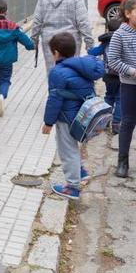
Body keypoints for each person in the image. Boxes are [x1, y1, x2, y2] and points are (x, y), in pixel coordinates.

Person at [42, 32, 104, 200]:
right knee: (72, 147)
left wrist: (48, 122)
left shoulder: (58, 72)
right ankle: (81, 172)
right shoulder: (82, 66)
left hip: (66, 118)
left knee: (67, 149)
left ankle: (72, 187)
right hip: (82, 116)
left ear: (55, 53)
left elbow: (54, 99)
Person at [31, 0, 95, 72]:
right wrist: (90, 44)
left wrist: (34, 41)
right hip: (71, 42)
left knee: (53, 72)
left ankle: (54, 88)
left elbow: (37, 22)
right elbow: (83, 22)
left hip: (49, 41)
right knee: (72, 72)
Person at [0, 0, 35, 117]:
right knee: (5, 79)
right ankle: (2, 96)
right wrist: (32, 46)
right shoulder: (13, 28)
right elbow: (26, 41)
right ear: (6, 12)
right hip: (7, 60)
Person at [107, 0, 136, 178]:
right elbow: (113, 61)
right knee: (128, 122)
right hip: (130, 85)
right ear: (128, 13)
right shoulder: (120, 34)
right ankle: (122, 162)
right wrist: (132, 71)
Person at [88, 17, 122, 134]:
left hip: (108, 76)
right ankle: (116, 123)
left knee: (109, 97)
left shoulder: (105, 43)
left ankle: (105, 121)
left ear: (107, 29)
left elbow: (93, 52)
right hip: (122, 76)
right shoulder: (123, 40)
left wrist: (89, 48)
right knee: (120, 99)